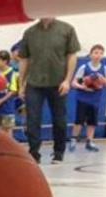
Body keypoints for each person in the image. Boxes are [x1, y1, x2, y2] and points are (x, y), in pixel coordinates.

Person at [18, 16, 81, 164]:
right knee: (32, 119)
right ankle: (34, 153)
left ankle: (59, 152)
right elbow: (24, 59)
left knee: (59, 119)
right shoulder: (29, 32)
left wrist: (67, 80)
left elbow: (72, 56)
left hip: (58, 82)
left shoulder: (67, 29)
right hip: (34, 83)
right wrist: (21, 84)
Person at [69, 44, 106, 153]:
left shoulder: (104, 68)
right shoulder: (84, 67)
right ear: (91, 54)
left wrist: (103, 80)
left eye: (101, 53)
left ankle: (89, 141)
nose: (98, 55)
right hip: (83, 98)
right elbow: (73, 83)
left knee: (92, 122)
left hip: (95, 100)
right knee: (79, 121)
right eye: (96, 52)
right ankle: (73, 139)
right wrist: (82, 86)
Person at [0, 50, 20, 136]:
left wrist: (2, 100)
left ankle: (9, 147)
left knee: (7, 128)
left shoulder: (12, 73)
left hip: (7, 106)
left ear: (5, 61)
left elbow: (13, 90)